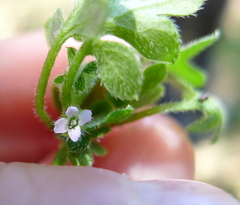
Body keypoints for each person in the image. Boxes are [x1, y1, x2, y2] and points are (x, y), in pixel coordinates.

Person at [0, 32, 239, 204]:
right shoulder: (70, 120)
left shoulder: (80, 118)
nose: (73, 124)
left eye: (75, 123)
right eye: (72, 123)